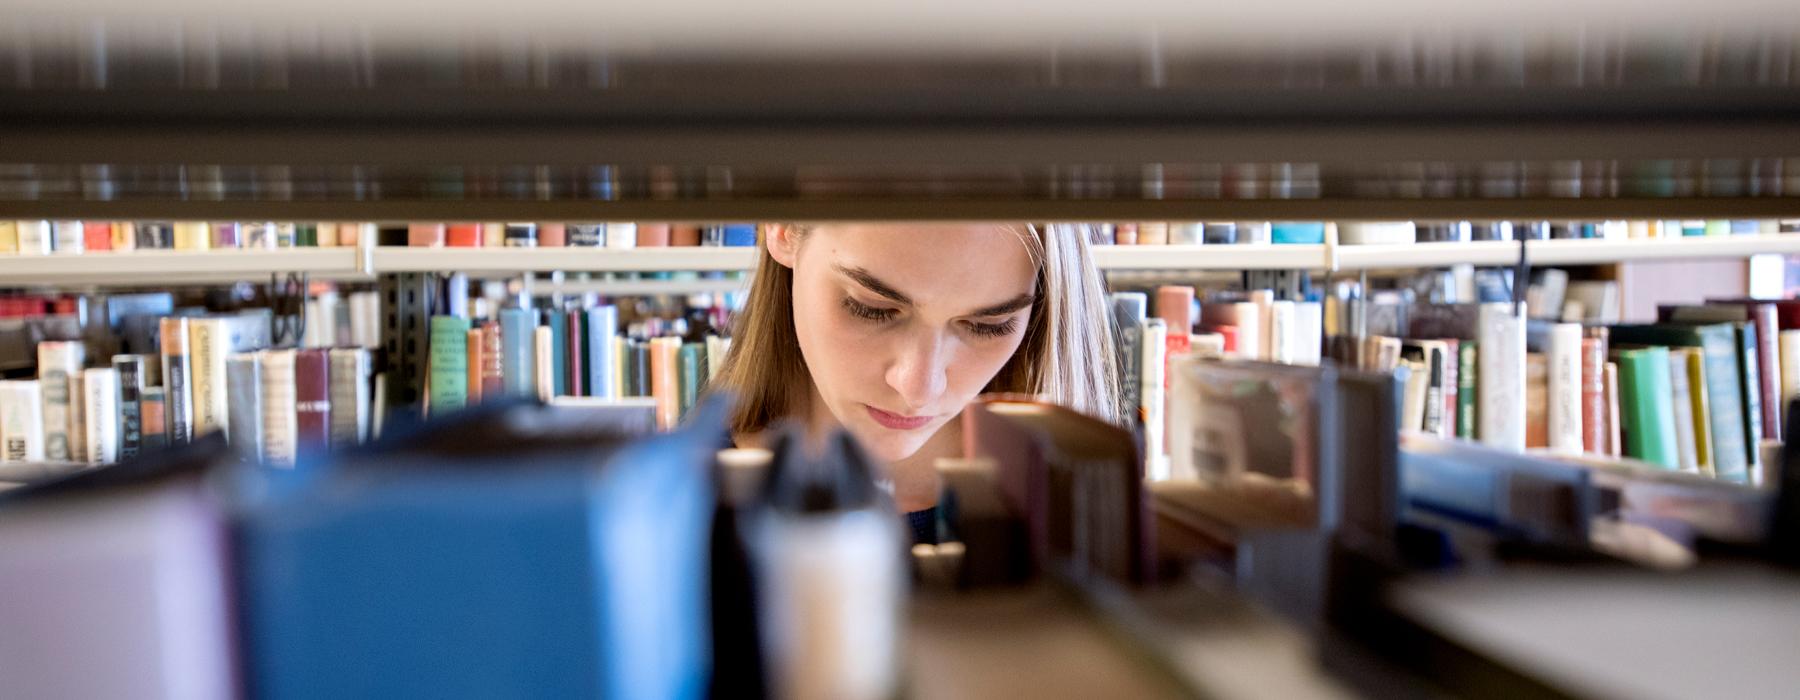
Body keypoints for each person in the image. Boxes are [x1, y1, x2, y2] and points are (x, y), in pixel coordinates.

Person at [709, 223, 1123, 541]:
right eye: (871, 308)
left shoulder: (1072, 509)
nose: (920, 388)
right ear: (782, 227)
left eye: (987, 326)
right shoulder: (685, 505)